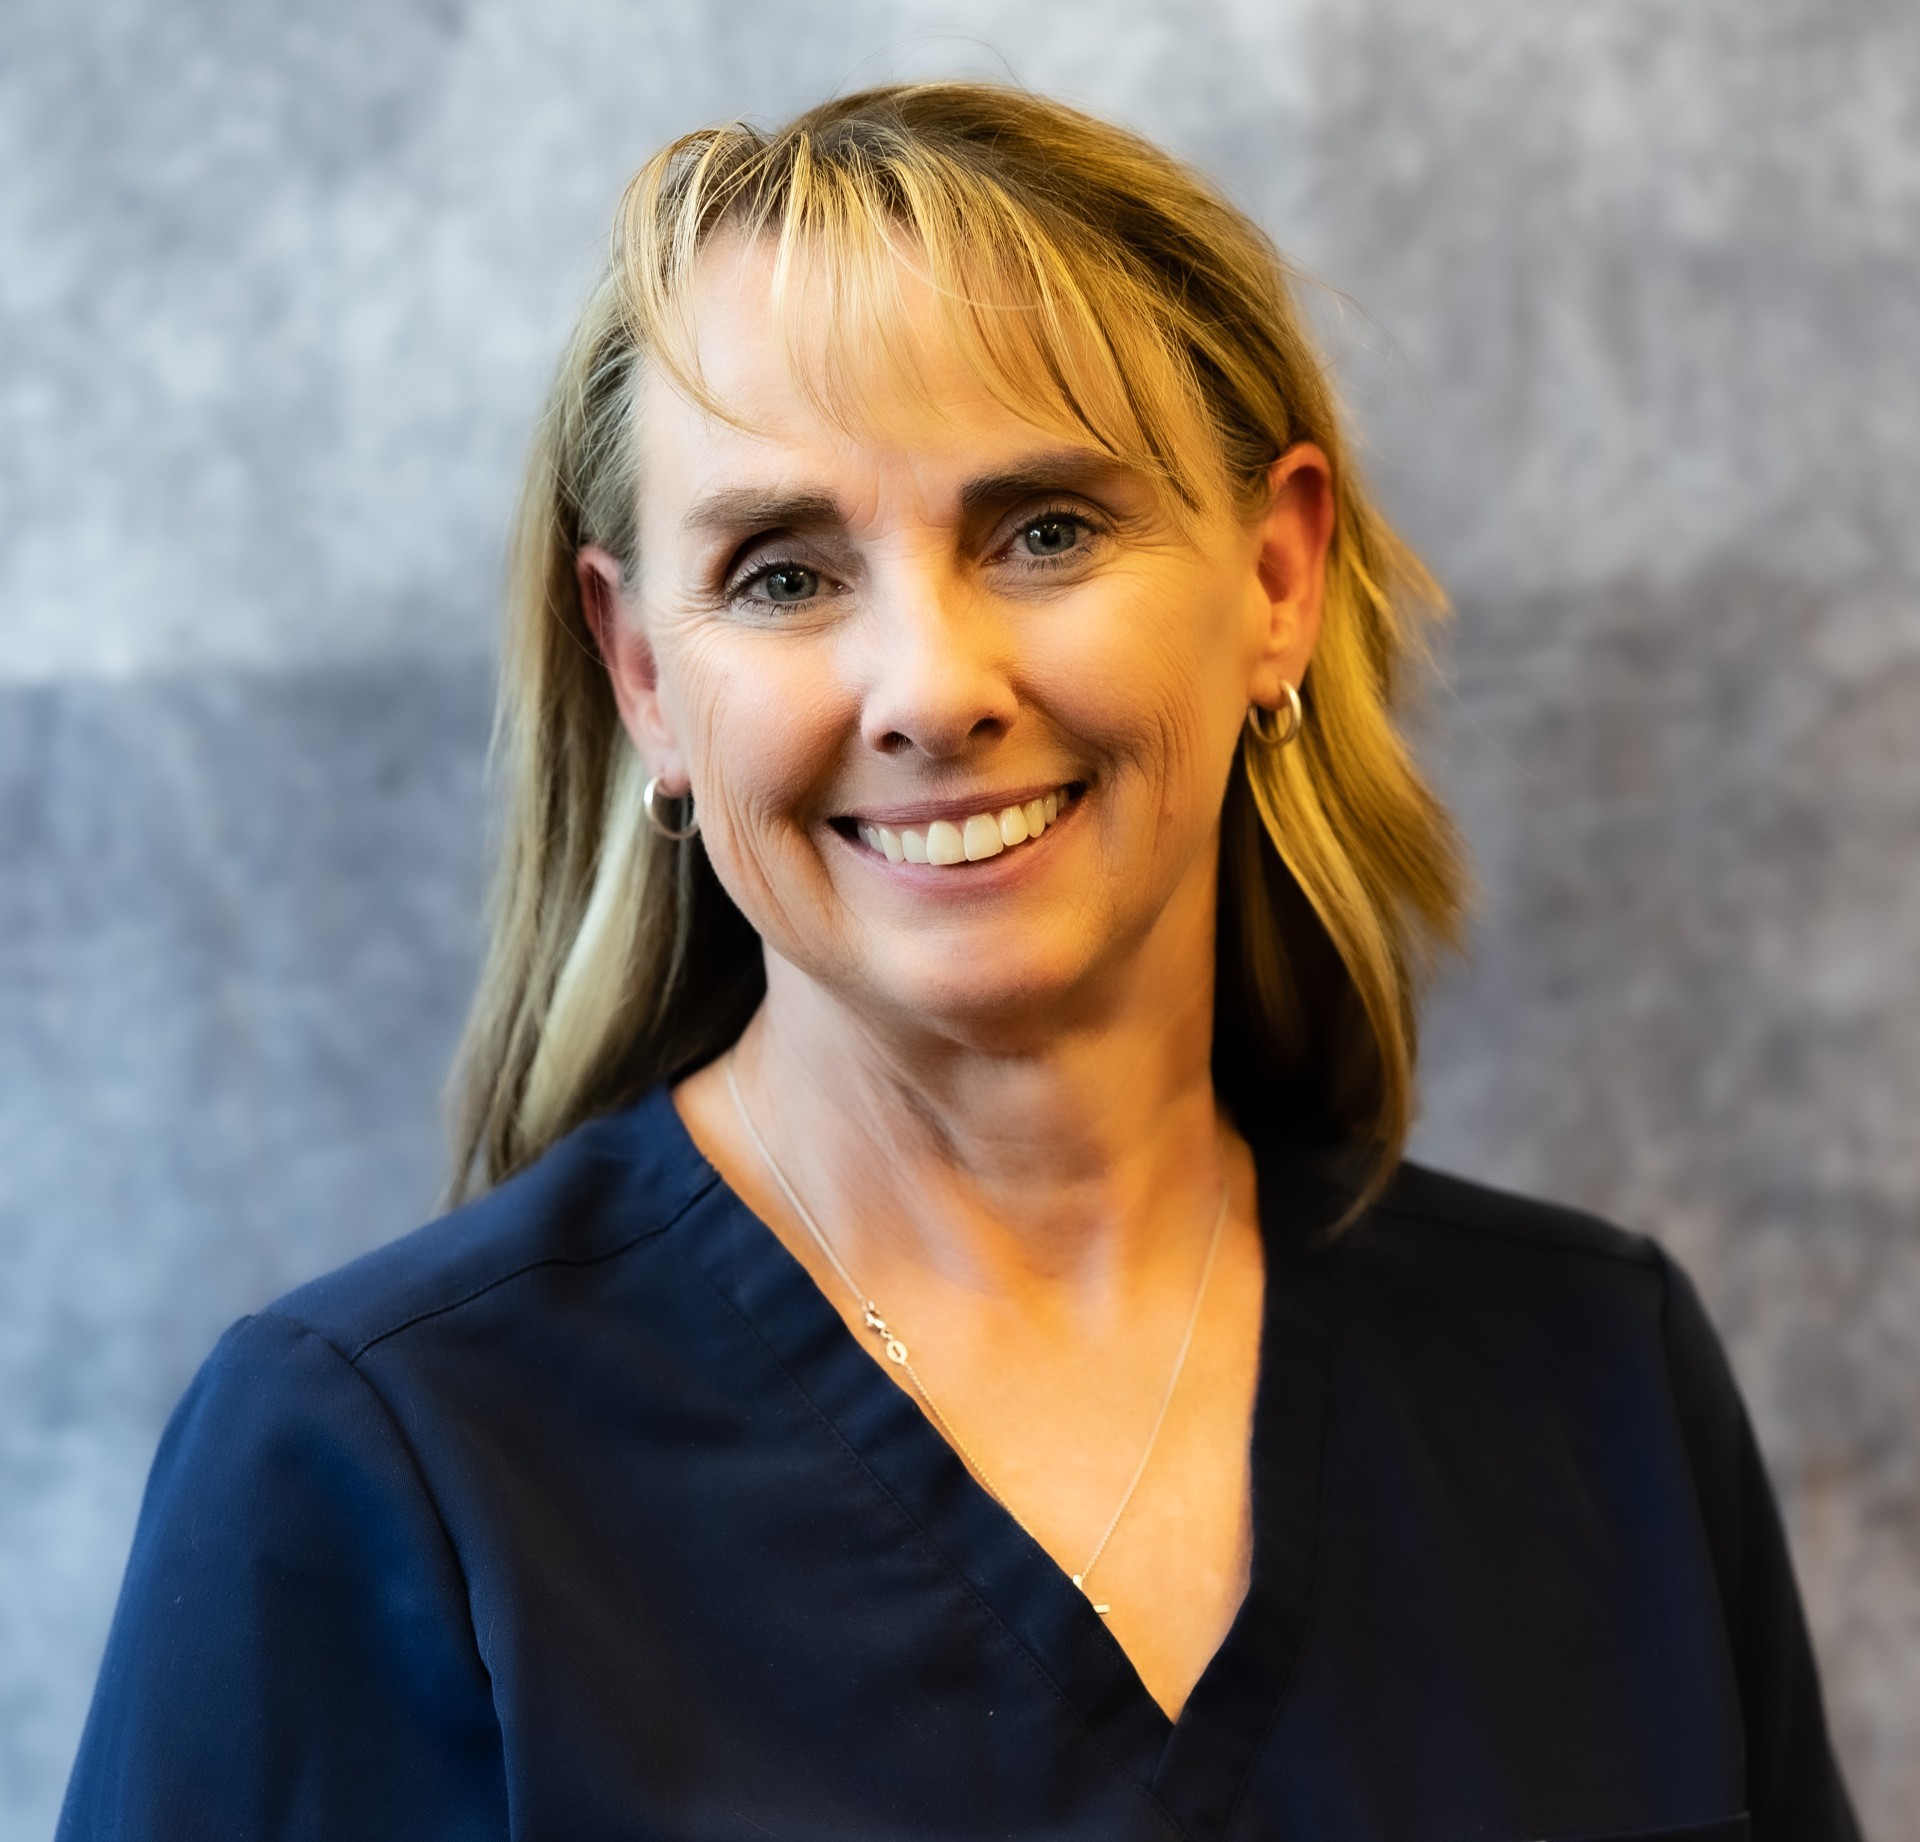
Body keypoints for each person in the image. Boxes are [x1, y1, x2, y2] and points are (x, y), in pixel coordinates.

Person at [59, 82, 1858, 1842]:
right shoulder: (376, 1463)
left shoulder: (1587, 1375)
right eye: (780, 572)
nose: (932, 687)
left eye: (1047, 530)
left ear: (1277, 579)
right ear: (643, 676)